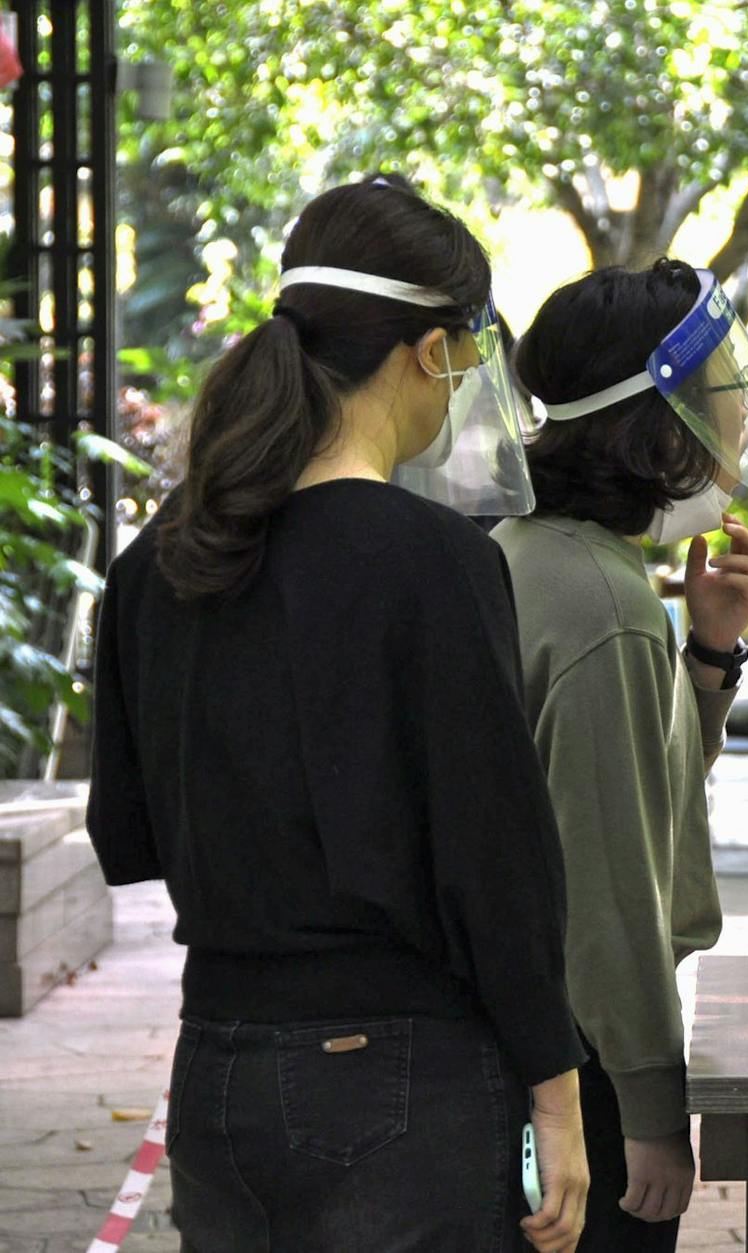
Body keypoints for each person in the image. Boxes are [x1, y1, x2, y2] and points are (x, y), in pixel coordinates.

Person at [84, 177, 590, 1252]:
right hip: (399, 1076)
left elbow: (125, 831)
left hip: (216, 1069)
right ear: (428, 350)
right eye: (467, 358)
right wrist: (557, 1093)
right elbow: (495, 854)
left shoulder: (155, 566)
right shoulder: (434, 561)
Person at [494, 260, 748, 1249]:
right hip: (580, 1060)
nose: (744, 419)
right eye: (725, 392)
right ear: (658, 422)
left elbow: (636, 792)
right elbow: (610, 886)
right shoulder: (605, 607)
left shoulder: (539, 550)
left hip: (525, 1044)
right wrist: (650, 1110)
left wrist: (709, 654)